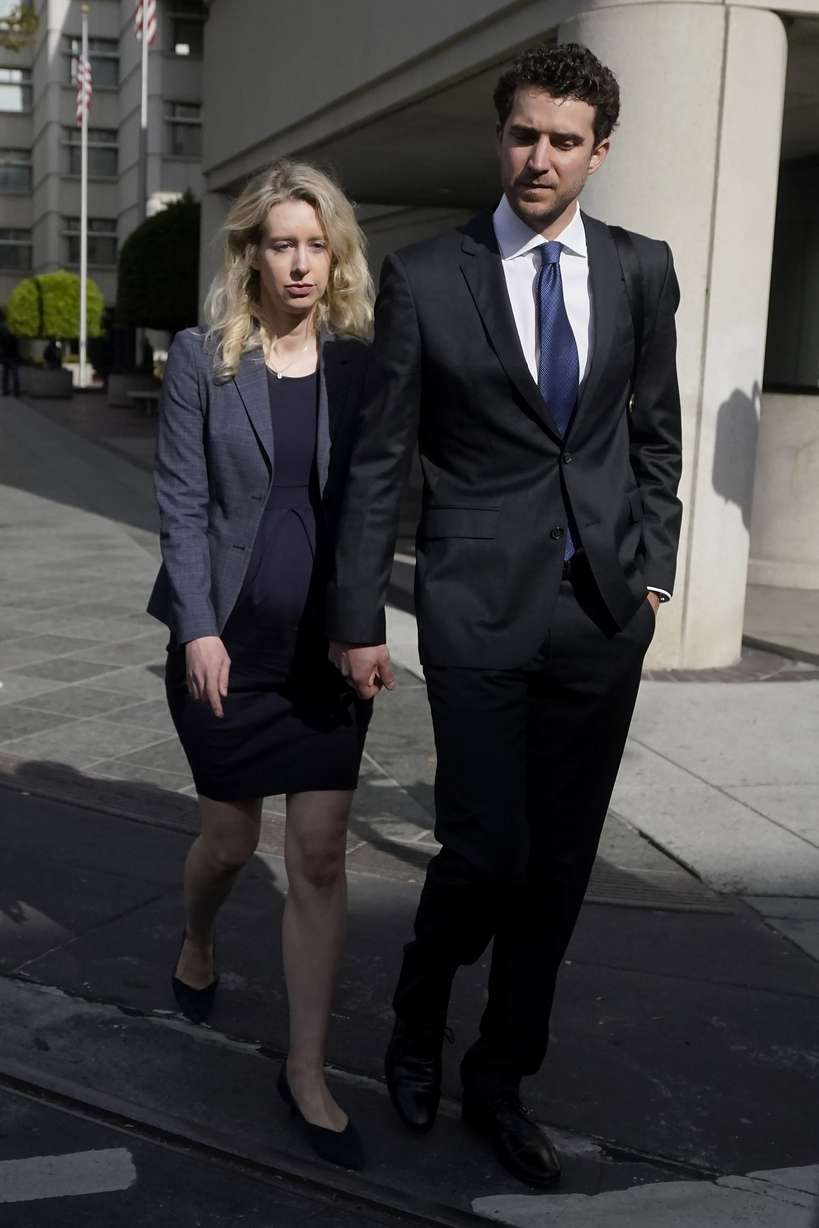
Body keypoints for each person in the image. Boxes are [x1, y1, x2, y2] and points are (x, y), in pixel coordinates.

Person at [328, 42, 682, 1188]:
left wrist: (656, 574)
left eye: (565, 140)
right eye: (524, 134)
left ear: (599, 151)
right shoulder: (430, 274)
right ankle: (416, 1023)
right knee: (485, 850)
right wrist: (359, 616)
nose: (541, 156)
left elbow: (656, 434)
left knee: (560, 868)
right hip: (477, 607)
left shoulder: (641, 269)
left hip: (600, 614)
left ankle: (501, 1075)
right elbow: (380, 461)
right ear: (502, 136)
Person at [147, 160, 374, 1172]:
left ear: (337, 256)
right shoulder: (206, 360)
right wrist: (197, 627)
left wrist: (364, 620)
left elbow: (373, 506)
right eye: (280, 241)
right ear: (252, 252)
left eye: (315, 243)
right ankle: (198, 937)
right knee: (232, 846)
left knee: (320, 857)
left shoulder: (361, 366)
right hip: (228, 648)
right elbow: (183, 506)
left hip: (322, 658)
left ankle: (307, 1071)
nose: (298, 261)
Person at [0, 309, 21, 397]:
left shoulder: (2, 326)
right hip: (13, 351)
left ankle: (5, 390)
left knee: (6, 373)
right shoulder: (10, 326)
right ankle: (16, 391)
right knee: (14, 372)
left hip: (5, 352)